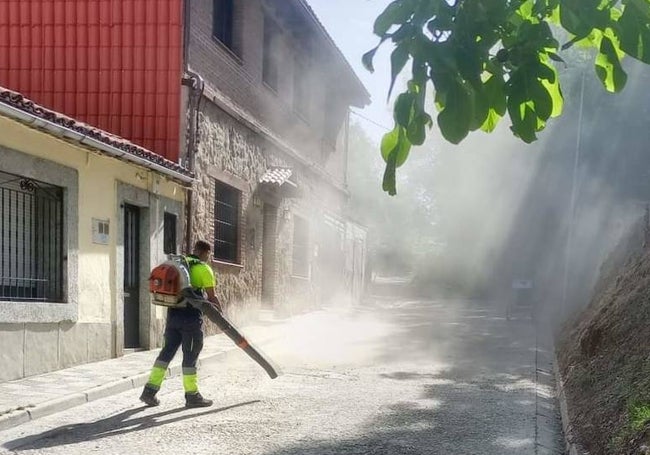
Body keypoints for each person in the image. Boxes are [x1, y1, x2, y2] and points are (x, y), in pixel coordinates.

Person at [140, 240, 223, 408]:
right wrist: (220, 314)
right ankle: (192, 395)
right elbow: (211, 297)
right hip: (191, 319)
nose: (208, 257)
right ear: (205, 252)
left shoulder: (179, 265)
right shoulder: (203, 269)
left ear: (194, 250)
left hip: (173, 316)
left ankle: (149, 392)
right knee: (190, 357)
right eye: (208, 254)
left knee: (166, 354)